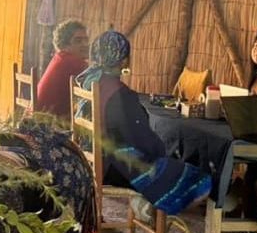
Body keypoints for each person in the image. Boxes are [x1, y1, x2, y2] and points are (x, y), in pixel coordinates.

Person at [75, 29, 211, 215]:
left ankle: (148, 208)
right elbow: (142, 141)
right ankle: (152, 221)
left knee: (168, 164)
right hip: (114, 167)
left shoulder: (91, 83)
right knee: (197, 179)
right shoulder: (121, 95)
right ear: (124, 61)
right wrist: (163, 154)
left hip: (91, 160)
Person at [35, 19, 88, 120]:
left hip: (37, 120)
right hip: (48, 126)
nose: (84, 44)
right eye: (78, 41)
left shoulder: (60, 58)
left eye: (86, 40)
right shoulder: (73, 62)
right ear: (64, 45)